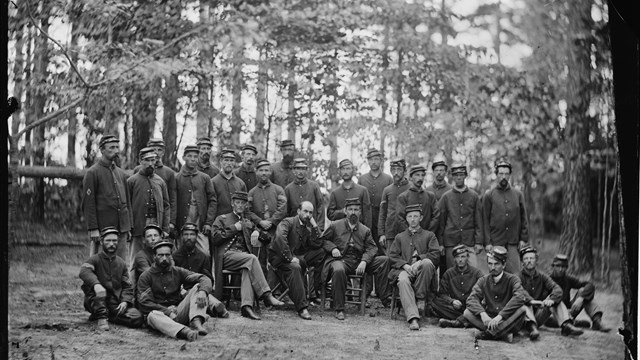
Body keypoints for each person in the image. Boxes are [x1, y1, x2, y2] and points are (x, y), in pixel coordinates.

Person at [211, 191, 284, 320]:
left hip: (243, 259)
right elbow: (215, 238)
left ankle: (246, 307)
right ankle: (266, 295)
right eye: (237, 202)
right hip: (227, 256)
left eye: (243, 203)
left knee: (247, 269)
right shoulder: (221, 218)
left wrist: (257, 231)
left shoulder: (248, 220)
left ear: (246, 206)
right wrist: (234, 228)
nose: (240, 205)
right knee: (251, 259)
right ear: (232, 203)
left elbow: (266, 238)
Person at [321, 198, 390, 320]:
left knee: (385, 260)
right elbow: (323, 240)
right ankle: (339, 309)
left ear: (360, 213)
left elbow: (372, 248)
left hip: (359, 262)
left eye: (356, 210)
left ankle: (385, 297)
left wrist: (364, 261)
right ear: (345, 211)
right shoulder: (335, 225)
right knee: (338, 270)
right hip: (341, 260)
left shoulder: (365, 230)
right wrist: (333, 248)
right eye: (350, 209)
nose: (353, 212)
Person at [137, 241, 219, 341]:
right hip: (161, 316)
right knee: (152, 315)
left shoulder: (178, 271)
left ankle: (196, 322)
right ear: (154, 256)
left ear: (171, 256)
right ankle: (185, 332)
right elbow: (145, 303)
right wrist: (167, 312)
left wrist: (203, 291)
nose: (164, 258)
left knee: (198, 287)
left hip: (178, 311)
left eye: (167, 255)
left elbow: (204, 278)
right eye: (160, 255)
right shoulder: (146, 276)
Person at [269, 201, 327, 320]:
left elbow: (318, 243)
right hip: (279, 258)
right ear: (298, 211)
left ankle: (312, 291)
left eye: (311, 213)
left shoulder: (307, 228)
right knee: (296, 267)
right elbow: (280, 238)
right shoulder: (288, 222)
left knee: (322, 252)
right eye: (305, 211)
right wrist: (290, 258)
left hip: (298, 257)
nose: (308, 215)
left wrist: (315, 226)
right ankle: (302, 307)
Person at [79, 227, 143, 331]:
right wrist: (96, 285)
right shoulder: (94, 259)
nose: (111, 244)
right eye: (108, 241)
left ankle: (110, 316)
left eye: (114, 241)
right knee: (100, 294)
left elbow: (127, 286)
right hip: (96, 300)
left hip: (114, 303)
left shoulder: (121, 263)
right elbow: (84, 271)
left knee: (137, 318)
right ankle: (101, 317)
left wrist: (125, 301)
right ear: (101, 242)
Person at [388, 204, 441, 330]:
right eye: (410, 216)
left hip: (423, 272)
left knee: (427, 263)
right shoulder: (400, 237)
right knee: (403, 280)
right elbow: (392, 256)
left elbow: (436, 254)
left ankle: (420, 298)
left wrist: (420, 260)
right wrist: (405, 265)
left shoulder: (429, 236)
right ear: (406, 218)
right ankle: (413, 318)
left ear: (421, 218)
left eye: (416, 216)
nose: (413, 219)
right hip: (404, 270)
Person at [463, 246, 528, 343]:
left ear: (504, 264)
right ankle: (502, 335)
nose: (492, 267)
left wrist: (500, 316)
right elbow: (471, 299)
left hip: (507, 321)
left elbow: (519, 297)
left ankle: (489, 334)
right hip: (489, 320)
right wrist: (483, 314)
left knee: (522, 309)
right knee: (467, 313)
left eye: (496, 264)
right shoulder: (483, 280)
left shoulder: (513, 279)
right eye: (490, 264)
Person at [82, 134, 132, 258]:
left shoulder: (121, 174)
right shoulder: (92, 173)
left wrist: (128, 226)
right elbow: (88, 204)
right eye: (111, 148)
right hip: (103, 230)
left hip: (121, 229)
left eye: (117, 147)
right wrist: (93, 228)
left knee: (120, 265)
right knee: (100, 264)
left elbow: (127, 202)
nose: (115, 151)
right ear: (102, 150)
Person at [518, 247, 583, 339]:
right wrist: (531, 301)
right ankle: (532, 329)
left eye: (532, 258)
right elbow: (519, 291)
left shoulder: (542, 276)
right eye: (526, 259)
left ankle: (566, 325)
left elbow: (557, 289)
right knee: (525, 304)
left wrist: (551, 300)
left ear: (536, 260)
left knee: (556, 300)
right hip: (522, 318)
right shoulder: (516, 276)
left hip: (538, 315)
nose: (529, 261)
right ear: (522, 262)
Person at [127, 147, 170, 272]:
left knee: (157, 257)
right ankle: (133, 287)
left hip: (156, 223)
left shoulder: (160, 181)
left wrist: (165, 228)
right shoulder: (132, 181)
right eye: (147, 160)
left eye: (153, 160)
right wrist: (129, 227)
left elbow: (166, 205)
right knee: (135, 258)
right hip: (138, 224)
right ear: (141, 161)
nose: (151, 164)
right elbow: (127, 206)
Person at [482, 159, 529, 273]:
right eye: (501, 173)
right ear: (496, 175)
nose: (504, 176)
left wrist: (523, 238)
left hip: (513, 241)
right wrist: (487, 242)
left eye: (506, 174)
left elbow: (524, 217)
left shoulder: (518, 194)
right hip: (496, 241)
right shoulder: (489, 195)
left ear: (509, 175)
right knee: (496, 274)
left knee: (515, 274)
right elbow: (485, 220)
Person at [173, 222, 228, 318]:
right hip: (180, 293)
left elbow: (209, 279)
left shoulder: (203, 256)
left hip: (199, 290)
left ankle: (212, 307)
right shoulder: (175, 256)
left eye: (192, 234)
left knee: (201, 294)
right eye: (186, 234)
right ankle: (213, 306)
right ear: (181, 237)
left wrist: (203, 289)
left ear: (196, 236)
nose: (189, 237)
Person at [247, 159, 287, 279]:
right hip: (258, 231)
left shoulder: (278, 190)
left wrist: (271, 222)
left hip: (276, 231)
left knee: (277, 260)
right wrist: (260, 222)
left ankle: (278, 291)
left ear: (270, 172)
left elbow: (283, 209)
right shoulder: (252, 193)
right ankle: (262, 291)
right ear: (256, 172)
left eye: (266, 170)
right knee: (260, 261)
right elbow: (248, 211)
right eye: (261, 170)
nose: (264, 173)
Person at [549, 254, 610, 332]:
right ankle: (572, 323)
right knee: (550, 320)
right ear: (553, 266)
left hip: (569, 311)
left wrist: (581, 298)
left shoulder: (568, 279)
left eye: (563, 267)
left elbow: (589, 285)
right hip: (554, 314)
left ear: (567, 268)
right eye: (557, 266)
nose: (560, 269)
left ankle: (597, 322)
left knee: (584, 292)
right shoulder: (547, 279)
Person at [437, 165, 482, 270]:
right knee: (452, 272)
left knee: (473, 270)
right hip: (451, 241)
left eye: (461, 175)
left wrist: (479, 242)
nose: (459, 178)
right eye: (456, 175)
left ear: (465, 176)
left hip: (468, 241)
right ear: (452, 177)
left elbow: (478, 220)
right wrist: (441, 243)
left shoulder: (474, 196)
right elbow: (441, 222)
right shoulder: (446, 197)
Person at [174, 145, 216, 250]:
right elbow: (172, 202)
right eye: (189, 156)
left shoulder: (205, 178)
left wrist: (208, 222)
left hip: (200, 221)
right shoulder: (177, 178)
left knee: (204, 252)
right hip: (183, 221)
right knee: (182, 253)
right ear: (184, 158)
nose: (193, 159)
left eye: (195, 156)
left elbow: (212, 201)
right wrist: (173, 223)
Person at [134, 138, 177, 237]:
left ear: (164, 152)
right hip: (142, 217)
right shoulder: (137, 171)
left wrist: (171, 222)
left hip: (159, 217)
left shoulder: (168, 172)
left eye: (159, 150)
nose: (157, 153)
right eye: (154, 150)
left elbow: (172, 200)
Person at [434, 245, 484, 328]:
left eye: (463, 257)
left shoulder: (476, 273)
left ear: (467, 257)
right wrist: (452, 301)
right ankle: (468, 320)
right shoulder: (449, 273)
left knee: (483, 305)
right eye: (457, 257)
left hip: (472, 306)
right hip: (456, 307)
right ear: (454, 259)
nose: (460, 260)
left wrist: (473, 301)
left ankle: (457, 322)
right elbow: (442, 294)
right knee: (435, 302)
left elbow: (483, 290)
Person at [358, 148, 393, 257]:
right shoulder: (362, 179)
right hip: (366, 220)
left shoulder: (388, 179)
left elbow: (390, 202)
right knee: (367, 248)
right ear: (368, 161)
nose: (373, 162)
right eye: (371, 159)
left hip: (382, 220)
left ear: (381, 161)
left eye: (376, 159)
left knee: (382, 250)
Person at [396, 165, 440, 236]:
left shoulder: (430, 196)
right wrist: (410, 233)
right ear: (410, 178)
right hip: (409, 238)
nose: (420, 178)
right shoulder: (403, 197)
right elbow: (400, 218)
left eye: (422, 175)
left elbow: (436, 216)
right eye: (417, 175)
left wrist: (427, 233)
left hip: (428, 237)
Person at [378, 158, 410, 254]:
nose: (396, 173)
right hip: (390, 233)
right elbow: (382, 213)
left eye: (399, 169)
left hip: (408, 232)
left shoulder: (411, 188)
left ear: (405, 170)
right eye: (393, 169)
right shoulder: (387, 190)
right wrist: (382, 234)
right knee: (390, 261)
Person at [327, 159, 372, 228]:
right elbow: (330, 214)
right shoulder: (335, 193)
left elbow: (367, 215)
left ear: (353, 171)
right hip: (340, 232)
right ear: (339, 172)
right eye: (343, 169)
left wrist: (366, 233)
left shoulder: (362, 191)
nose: (345, 172)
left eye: (348, 169)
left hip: (359, 232)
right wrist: (342, 212)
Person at [284, 158, 325, 230]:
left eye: (303, 169)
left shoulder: (314, 186)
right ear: (293, 170)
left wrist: (319, 227)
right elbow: (286, 211)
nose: (300, 171)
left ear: (307, 170)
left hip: (311, 227)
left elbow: (320, 206)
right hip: (295, 229)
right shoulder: (288, 189)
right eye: (298, 168)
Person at [211, 149, 248, 219]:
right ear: (221, 162)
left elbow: (245, 205)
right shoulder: (213, 182)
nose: (229, 163)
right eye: (226, 160)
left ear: (234, 163)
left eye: (231, 160)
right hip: (219, 222)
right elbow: (211, 206)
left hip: (237, 223)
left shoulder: (240, 183)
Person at [132, 224, 163, 292]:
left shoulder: (165, 253)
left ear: (161, 238)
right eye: (149, 236)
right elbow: (150, 276)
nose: (153, 238)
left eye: (156, 235)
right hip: (146, 292)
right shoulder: (141, 256)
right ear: (143, 240)